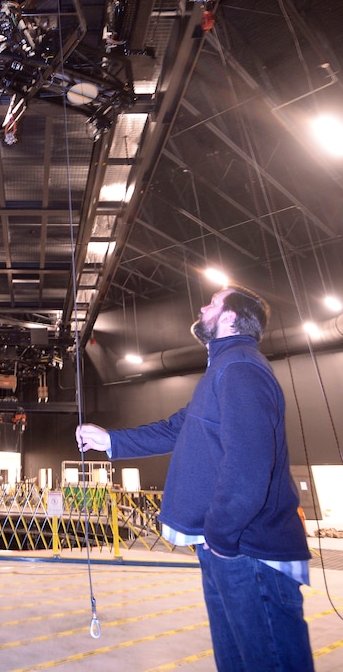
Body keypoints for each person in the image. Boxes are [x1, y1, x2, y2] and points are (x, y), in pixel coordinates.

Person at [76, 285, 313, 672]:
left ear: (230, 318)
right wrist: (111, 441)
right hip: (230, 552)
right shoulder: (223, 369)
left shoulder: (240, 368)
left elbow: (249, 465)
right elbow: (176, 428)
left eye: (213, 303)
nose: (203, 307)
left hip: (249, 554)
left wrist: (220, 537)